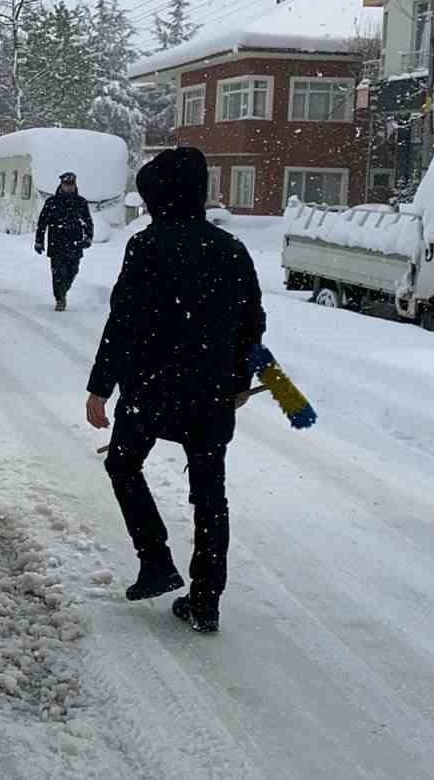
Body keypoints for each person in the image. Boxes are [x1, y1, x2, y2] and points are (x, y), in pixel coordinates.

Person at [84, 147, 266, 634]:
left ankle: (156, 560)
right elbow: (252, 324)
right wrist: (237, 382)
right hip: (209, 395)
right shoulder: (230, 249)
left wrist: (100, 388)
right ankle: (206, 600)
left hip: (151, 390)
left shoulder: (147, 246)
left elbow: (123, 322)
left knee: (123, 464)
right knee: (210, 496)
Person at [34, 172, 93, 311]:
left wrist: (89, 237)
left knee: (73, 271)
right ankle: (60, 298)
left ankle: (63, 291)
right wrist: (39, 241)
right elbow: (42, 223)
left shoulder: (81, 202)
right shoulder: (52, 202)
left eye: (72, 185)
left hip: (75, 243)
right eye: (67, 184)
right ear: (61, 185)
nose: (69, 187)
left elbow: (88, 222)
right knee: (58, 273)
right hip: (57, 244)